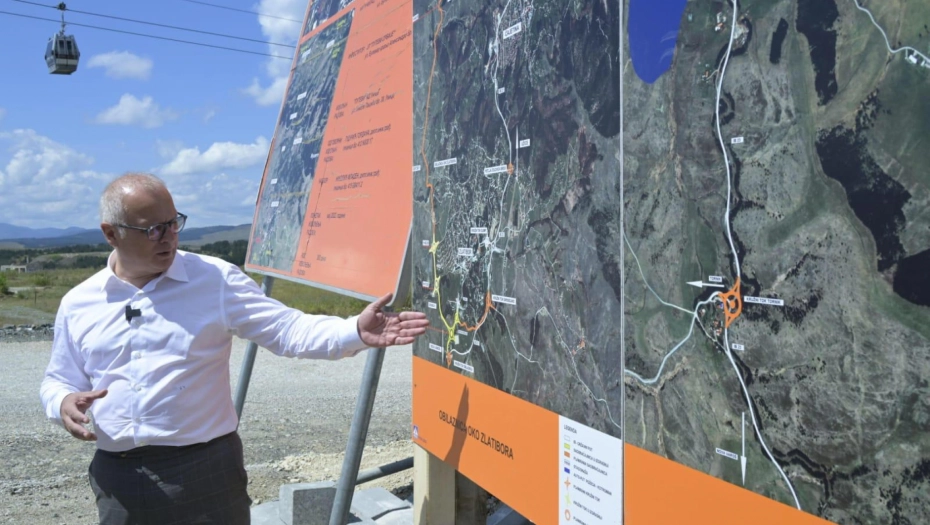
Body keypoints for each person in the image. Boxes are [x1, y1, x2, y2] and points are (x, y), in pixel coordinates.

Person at [39, 173, 429, 525]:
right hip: (120, 478)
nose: (169, 237)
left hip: (205, 470)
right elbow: (58, 380)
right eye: (153, 229)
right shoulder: (79, 302)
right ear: (111, 233)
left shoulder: (215, 280)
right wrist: (63, 403)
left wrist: (354, 330)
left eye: (174, 223)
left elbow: (286, 329)